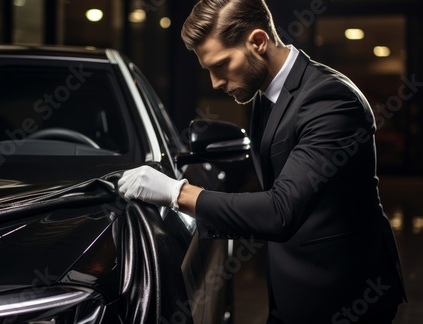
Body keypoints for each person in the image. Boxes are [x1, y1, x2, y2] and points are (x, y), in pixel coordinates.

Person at [117, 0, 406, 323]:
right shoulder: (267, 95)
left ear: (257, 42)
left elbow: (280, 210)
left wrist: (177, 193)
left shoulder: (330, 100)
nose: (215, 82)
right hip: (293, 289)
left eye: (221, 64)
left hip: (346, 297)